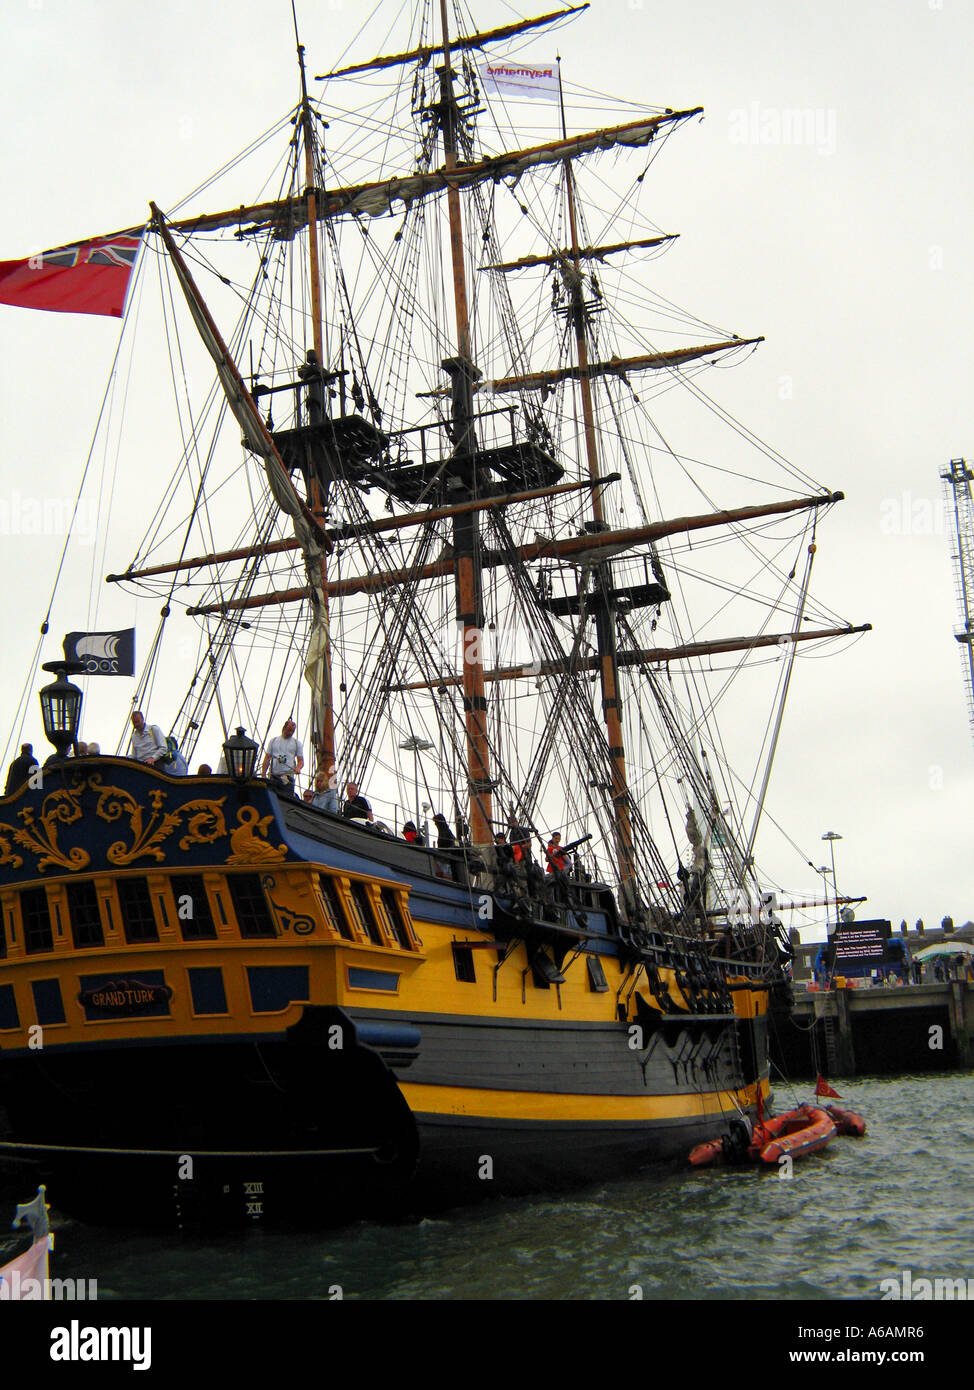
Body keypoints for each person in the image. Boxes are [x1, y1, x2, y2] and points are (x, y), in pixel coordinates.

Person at [261, 717, 304, 793]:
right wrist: (263, 775)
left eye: (292, 731)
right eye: (289, 730)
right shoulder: (273, 741)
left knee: (286, 796)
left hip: (287, 777)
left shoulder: (297, 743)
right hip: (274, 775)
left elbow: (300, 760)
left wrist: (298, 768)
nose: (290, 733)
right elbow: (267, 758)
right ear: (283, 728)